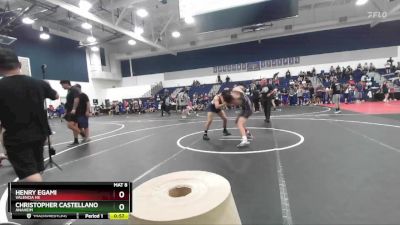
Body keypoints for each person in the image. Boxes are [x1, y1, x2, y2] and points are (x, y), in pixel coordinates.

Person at [0, 47, 59, 181]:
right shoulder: (39, 83)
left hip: (17, 136)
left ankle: (39, 199)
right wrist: (47, 87)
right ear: (19, 65)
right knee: (36, 168)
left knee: (29, 173)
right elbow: (55, 96)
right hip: (40, 133)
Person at [60, 80, 85, 145]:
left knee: (70, 125)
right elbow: (68, 102)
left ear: (66, 84)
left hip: (73, 111)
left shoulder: (74, 89)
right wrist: (65, 112)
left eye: (62, 85)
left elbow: (76, 99)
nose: (62, 87)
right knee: (74, 125)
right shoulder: (69, 91)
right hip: (70, 110)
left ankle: (82, 134)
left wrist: (74, 109)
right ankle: (76, 140)